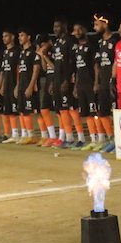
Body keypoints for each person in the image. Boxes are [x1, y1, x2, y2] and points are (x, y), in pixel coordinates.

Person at [50, 17, 78, 148]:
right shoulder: (57, 43)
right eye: (54, 27)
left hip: (66, 80)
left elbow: (72, 62)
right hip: (57, 79)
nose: (55, 29)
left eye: (57, 26)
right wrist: (53, 81)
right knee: (61, 110)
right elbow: (57, 64)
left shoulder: (70, 40)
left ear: (64, 26)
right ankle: (64, 137)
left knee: (70, 109)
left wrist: (67, 80)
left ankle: (75, 138)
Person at [72, 22, 100, 148]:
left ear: (85, 30)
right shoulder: (77, 48)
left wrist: (96, 82)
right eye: (75, 30)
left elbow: (96, 66)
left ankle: (101, 139)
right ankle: (93, 140)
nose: (77, 32)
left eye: (80, 29)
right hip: (81, 85)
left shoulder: (91, 46)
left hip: (91, 84)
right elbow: (77, 69)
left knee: (95, 113)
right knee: (86, 113)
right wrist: (76, 86)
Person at [93, 13, 118, 152]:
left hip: (114, 82)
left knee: (115, 113)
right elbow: (97, 64)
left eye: (97, 25)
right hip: (103, 83)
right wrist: (97, 82)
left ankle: (119, 141)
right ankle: (111, 139)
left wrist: (114, 79)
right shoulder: (98, 42)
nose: (95, 28)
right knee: (102, 112)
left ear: (105, 24)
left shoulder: (115, 41)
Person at [15, 27, 41, 145]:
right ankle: (28, 135)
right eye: (19, 36)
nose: (19, 38)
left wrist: (31, 85)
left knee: (36, 111)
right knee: (23, 110)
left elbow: (36, 69)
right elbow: (20, 71)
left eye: (22, 35)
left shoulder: (33, 51)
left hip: (30, 86)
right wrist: (17, 86)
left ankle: (44, 135)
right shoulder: (22, 52)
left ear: (28, 37)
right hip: (22, 85)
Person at [0, 29, 21, 143]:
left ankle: (19, 134)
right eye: (3, 36)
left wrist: (18, 85)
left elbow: (19, 70)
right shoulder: (5, 52)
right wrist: (1, 86)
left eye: (6, 36)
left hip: (14, 85)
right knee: (7, 110)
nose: (4, 38)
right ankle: (10, 134)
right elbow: (3, 71)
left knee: (16, 111)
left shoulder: (17, 51)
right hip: (6, 86)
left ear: (12, 37)